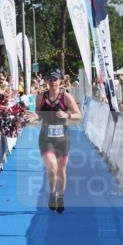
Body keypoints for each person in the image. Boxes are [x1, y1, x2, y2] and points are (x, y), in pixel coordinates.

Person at [36, 69, 82, 213]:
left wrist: (66, 114)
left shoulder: (66, 97)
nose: (53, 82)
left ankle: (60, 196)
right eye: (50, 79)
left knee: (61, 169)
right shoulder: (40, 96)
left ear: (60, 81)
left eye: (55, 79)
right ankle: (52, 193)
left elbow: (79, 115)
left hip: (62, 138)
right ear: (47, 81)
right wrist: (33, 117)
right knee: (52, 167)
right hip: (46, 137)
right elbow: (38, 114)